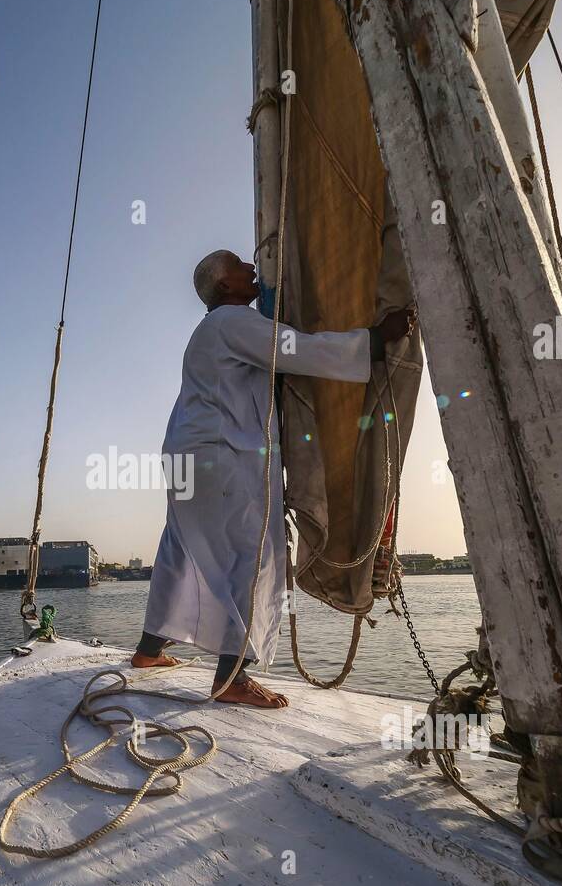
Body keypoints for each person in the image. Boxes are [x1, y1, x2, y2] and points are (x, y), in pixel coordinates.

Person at [132, 249, 416, 708]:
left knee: (179, 549)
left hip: (188, 454)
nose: (252, 268)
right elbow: (296, 350)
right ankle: (233, 679)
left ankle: (148, 651)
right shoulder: (232, 321)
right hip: (225, 456)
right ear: (225, 286)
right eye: (242, 267)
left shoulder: (206, 333)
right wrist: (373, 340)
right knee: (258, 554)